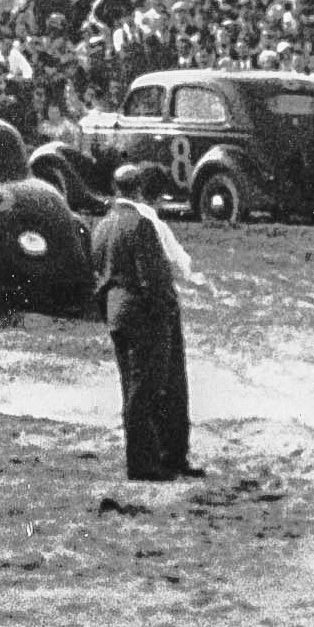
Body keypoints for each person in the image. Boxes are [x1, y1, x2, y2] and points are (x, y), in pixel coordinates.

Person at [88, 163, 195, 483]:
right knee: (148, 389)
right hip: (145, 315)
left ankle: (149, 459)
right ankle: (145, 462)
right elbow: (155, 279)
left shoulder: (103, 226)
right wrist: (165, 313)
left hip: (115, 312)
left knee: (133, 387)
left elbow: (97, 272)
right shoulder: (142, 224)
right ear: (139, 190)